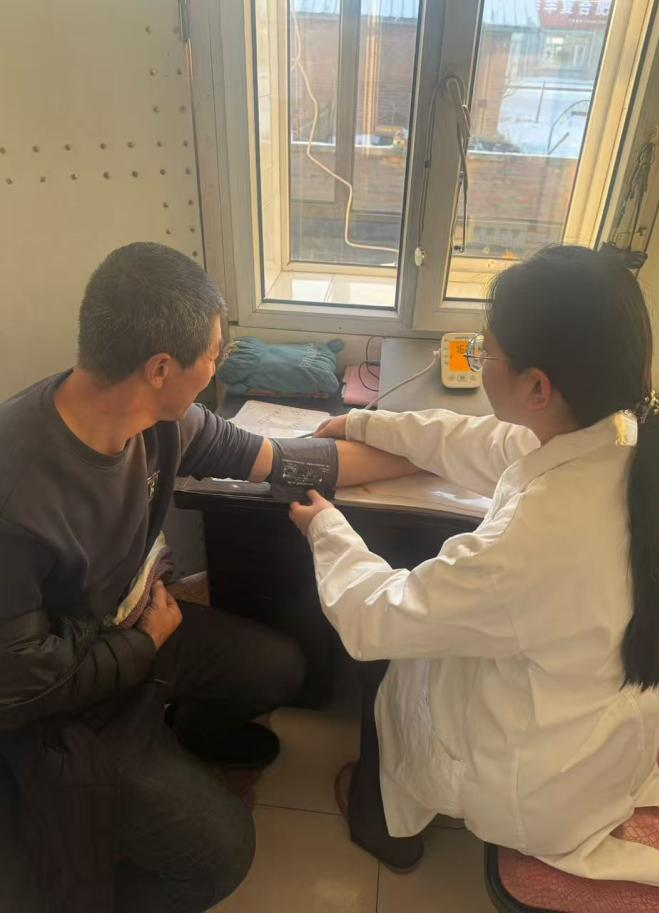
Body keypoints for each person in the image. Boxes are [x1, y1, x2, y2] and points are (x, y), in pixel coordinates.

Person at [0, 242, 416, 913]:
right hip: (64, 708)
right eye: (214, 354)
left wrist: (435, 455)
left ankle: (172, 737)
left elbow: (289, 460)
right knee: (222, 855)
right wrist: (144, 643)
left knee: (280, 667)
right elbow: (23, 686)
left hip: (137, 629)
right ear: (161, 368)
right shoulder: (16, 493)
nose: (218, 365)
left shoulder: (162, 420)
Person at [290, 245, 659, 887]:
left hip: (542, 776)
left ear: (537, 387)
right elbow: (486, 443)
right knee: (425, 631)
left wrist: (326, 528)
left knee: (385, 663)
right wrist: (366, 424)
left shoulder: (540, 536)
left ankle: (383, 827)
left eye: (485, 351)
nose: (478, 359)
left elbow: (374, 618)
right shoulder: (633, 438)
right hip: (592, 733)